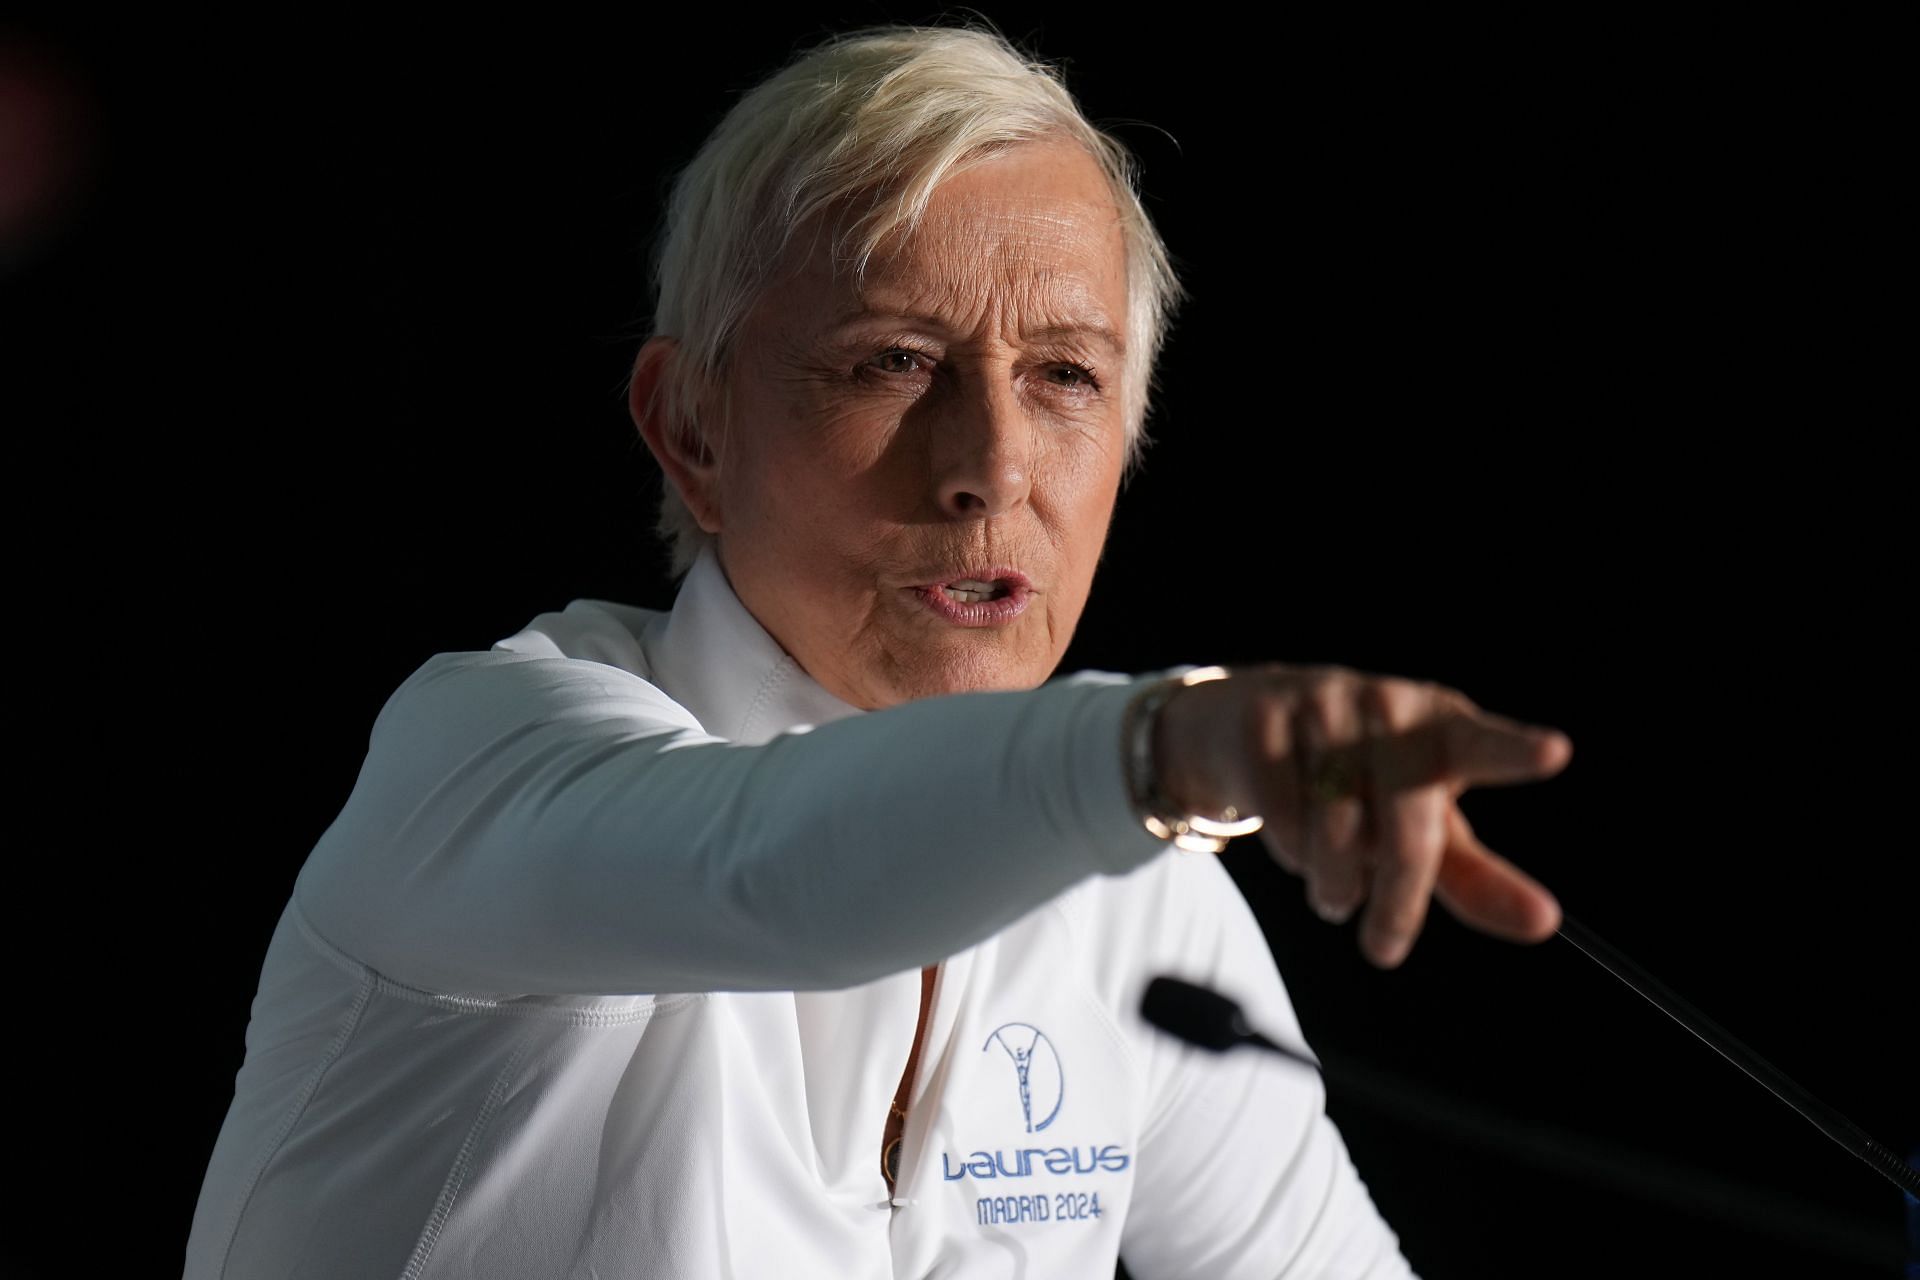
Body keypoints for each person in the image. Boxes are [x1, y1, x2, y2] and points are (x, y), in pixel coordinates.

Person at [184, 22, 1570, 1279]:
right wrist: (1170, 744)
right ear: (693, 429)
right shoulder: (483, 753)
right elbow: (773, 873)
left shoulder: (1139, 899)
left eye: (1066, 376)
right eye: (891, 362)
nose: (989, 468)